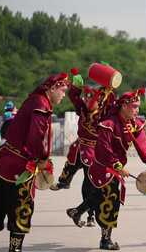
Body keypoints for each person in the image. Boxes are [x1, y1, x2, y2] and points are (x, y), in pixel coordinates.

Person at [0, 73, 69, 252]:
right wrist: (41, 159)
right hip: (21, 165)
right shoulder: (41, 105)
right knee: (23, 206)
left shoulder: (36, 100)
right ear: (53, 87)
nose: (64, 95)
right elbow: (35, 137)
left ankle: (13, 251)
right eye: (62, 90)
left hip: (9, 160)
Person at [70, 88, 146, 250]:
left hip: (114, 166)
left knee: (99, 196)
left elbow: (143, 146)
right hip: (102, 165)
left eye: (138, 106)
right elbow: (104, 149)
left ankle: (77, 211)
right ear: (123, 106)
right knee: (112, 199)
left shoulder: (134, 124)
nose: (137, 110)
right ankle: (106, 240)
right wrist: (118, 166)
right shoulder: (108, 124)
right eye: (134, 106)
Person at [50, 68, 116, 230]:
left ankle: (89, 214)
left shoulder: (104, 112)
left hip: (94, 150)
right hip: (81, 145)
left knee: (90, 182)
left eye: (90, 96)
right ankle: (63, 181)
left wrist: (109, 89)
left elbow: (112, 102)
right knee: (72, 162)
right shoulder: (82, 108)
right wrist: (76, 87)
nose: (87, 99)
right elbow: (73, 96)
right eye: (85, 96)